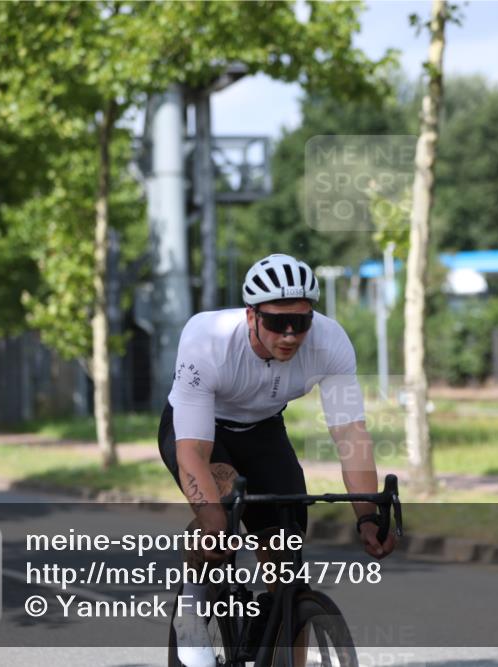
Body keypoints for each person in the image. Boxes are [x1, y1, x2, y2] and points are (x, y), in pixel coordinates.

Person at [159, 253, 396, 666]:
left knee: (286, 563)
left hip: (264, 430)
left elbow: (350, 434)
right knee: (223, 512)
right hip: (201, 431)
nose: (289, 335)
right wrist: (211, 515)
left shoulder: (330, 341)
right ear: (252, 316)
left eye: (300, 322)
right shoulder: (207, 337)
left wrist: (366, 514)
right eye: (276, 323)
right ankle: (193, 610)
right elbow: (193, 451)